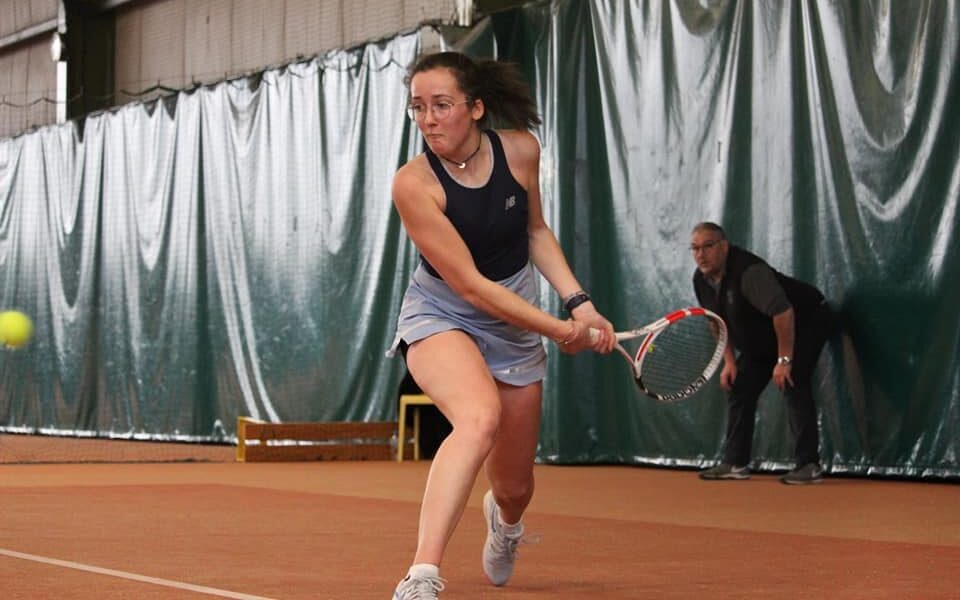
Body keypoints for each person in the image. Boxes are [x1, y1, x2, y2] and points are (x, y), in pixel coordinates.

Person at [387, 51, 615, 599]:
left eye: (442, 105)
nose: (429, 118)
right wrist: (557, 329)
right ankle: (421, 576)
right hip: (441, 313)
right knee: (477, 418)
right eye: (418, 107)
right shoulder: (414, 184)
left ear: (476, 108)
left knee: (514, 487)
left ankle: (505, 522)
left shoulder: (519, 151)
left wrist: (579, 304)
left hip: (512, 321)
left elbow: (535, 231)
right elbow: (468, 285)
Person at [690, 222, 833, 485]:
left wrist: (784, 360)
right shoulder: (701, 280)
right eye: (695, 248)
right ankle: (735, 463)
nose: (701, 254)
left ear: (724, 246)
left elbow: (783, 313)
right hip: (763, 331)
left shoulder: (749, 272)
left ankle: (808, 465)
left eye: (708, 246)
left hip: (806, 320)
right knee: (740, 385)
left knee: (793, 380)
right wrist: (730, 362)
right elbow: (716, 322)